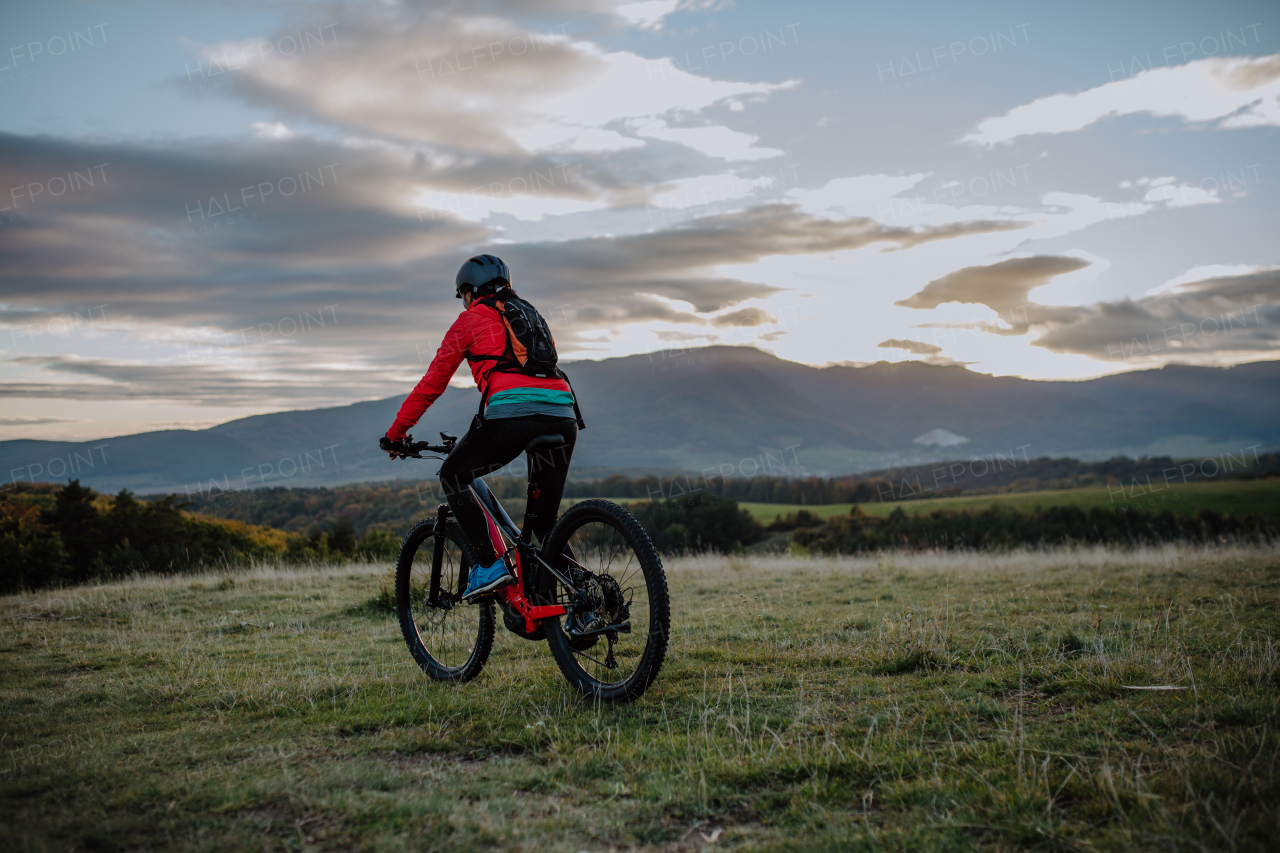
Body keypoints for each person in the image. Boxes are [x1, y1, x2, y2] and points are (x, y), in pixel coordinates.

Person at [379, 254, 578, 601]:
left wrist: (396, 435)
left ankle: (488, 565)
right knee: (546, 525)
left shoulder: (469, 321)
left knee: (454, 475)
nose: (465, 301)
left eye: (463, 295)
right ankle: (586, 596)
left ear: (470, 292)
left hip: (513, 417)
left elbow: (431, 384)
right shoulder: (530, 315)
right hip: (564, 415)